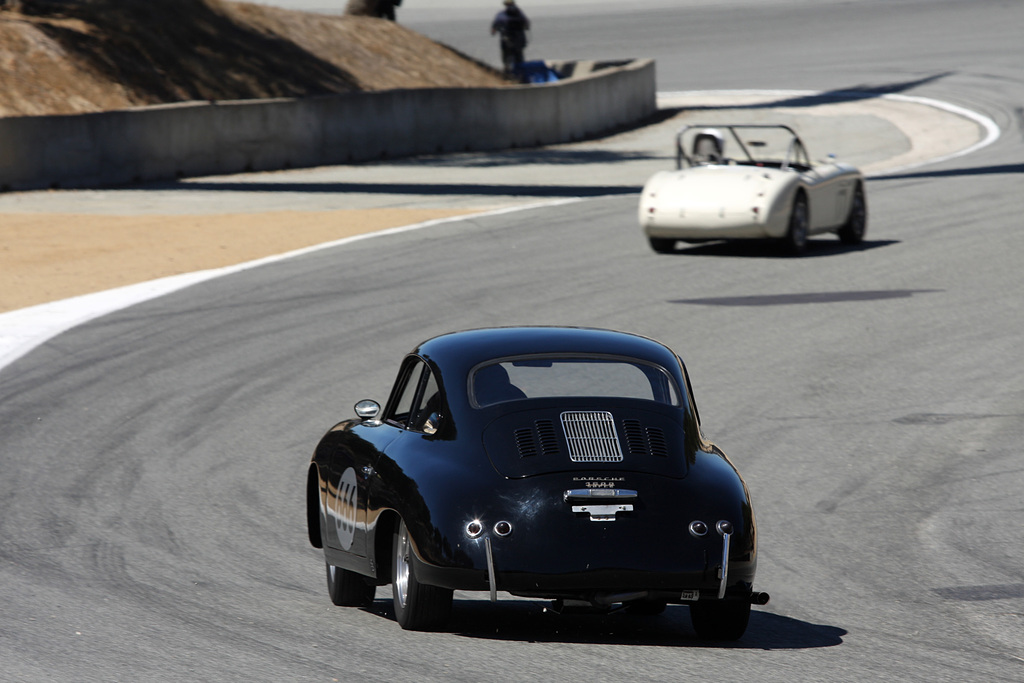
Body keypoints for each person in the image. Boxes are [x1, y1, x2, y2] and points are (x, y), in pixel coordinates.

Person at [490, 0, 530, 75]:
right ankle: (519, 73)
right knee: (518, 57)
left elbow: (495, 26)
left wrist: (494, 30)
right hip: (518, 39)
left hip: (507, 39)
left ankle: (509, 72)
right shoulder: (519, 13)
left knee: (507, 57)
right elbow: (527, 24)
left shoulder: (501, 14)